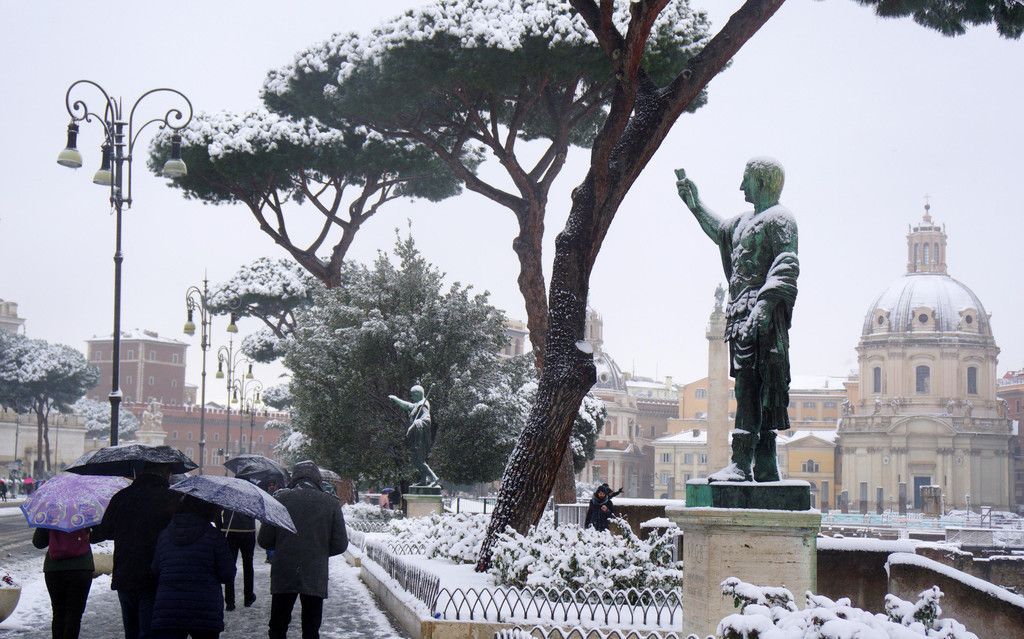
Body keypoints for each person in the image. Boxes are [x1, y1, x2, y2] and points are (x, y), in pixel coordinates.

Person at [677, 158, 799, 482]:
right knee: (748, 388)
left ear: (762, 182)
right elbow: (720, 232)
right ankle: (761, 464)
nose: (741, 186)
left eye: (746, 180)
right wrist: (695, 205)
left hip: (763, 317)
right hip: (740, 315)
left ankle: (746, 463)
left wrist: (764, 306)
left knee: (759, 388)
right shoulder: (744, 222)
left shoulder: (780, 219)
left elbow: (787, 263)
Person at [259, 461, 347, 639]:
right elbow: (340, 544)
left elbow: (264, 540)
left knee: (278, 626)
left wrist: (283, 544)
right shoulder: (330, 503)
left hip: (284, 571)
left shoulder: (279, 499)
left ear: (294, 477)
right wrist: (319, 550)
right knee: (311, 628)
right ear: (317, 479)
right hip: (314, 572)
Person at [93, 463, 177, 639]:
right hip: (153, 575)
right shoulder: (169, 498)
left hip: (125, 572)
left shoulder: (121, 497)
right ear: (166, 473)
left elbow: (105, 531)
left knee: (131, 630)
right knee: (149, 630)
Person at [150, 495, 234, 639]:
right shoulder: (214, 536)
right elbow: (227, 574)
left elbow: (155, 569)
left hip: (169, 608)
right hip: (205, 609)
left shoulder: (164, 535)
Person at [32, 527, 94, 639]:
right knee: (74, 615)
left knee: (58, 613)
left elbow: (38, 543)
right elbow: (99, 535)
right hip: (81, 567)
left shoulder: (50, 517)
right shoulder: (85, 516)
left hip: (54, 569)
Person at [218, 509, 256, 611]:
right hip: (248, 530)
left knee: (230, 565)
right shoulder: (251, 498)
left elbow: (217, 511)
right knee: (248, 565)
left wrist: (221, 527)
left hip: (230, 529)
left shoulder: (227, 498)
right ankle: (248, 597)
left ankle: (230, 601)